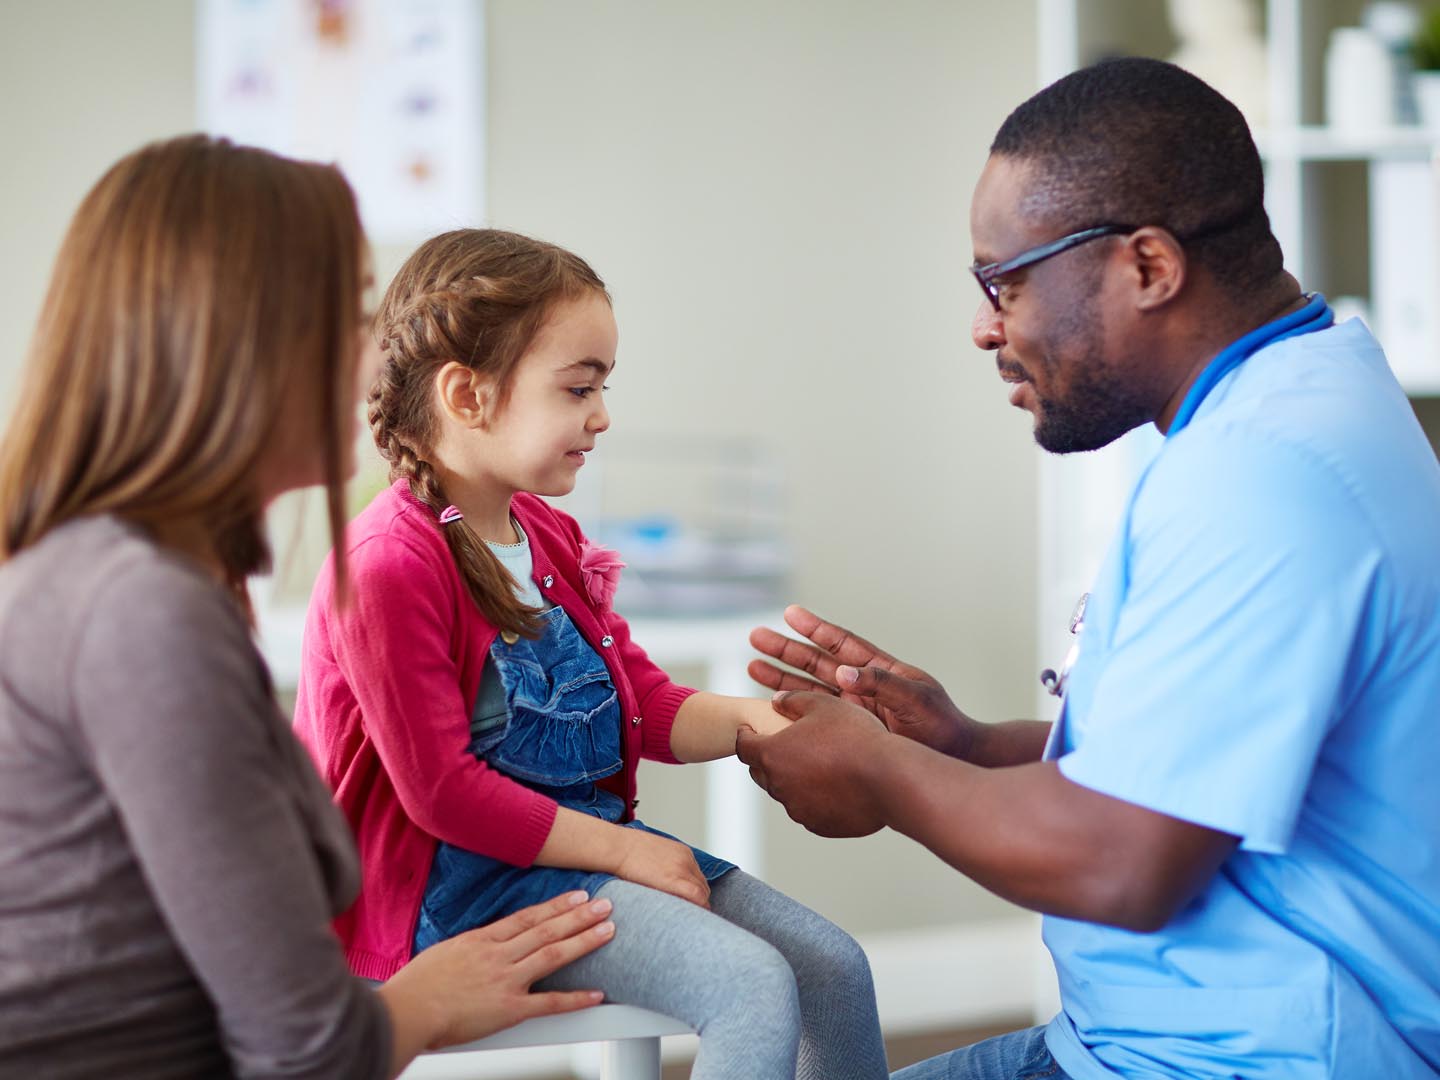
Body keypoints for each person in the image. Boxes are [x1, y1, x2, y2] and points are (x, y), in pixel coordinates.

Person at [737, 57, 1440, 1080]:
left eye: (1005, 282)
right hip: (1150, 1041)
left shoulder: (1262, 476)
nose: (986, 326)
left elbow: (1124, 861)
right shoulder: (1297, 398)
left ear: (1148, 267)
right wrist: (967, 747)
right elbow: (1197, 770)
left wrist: (881, 772)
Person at [0, 135, 620, 1080]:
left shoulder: (121, 581)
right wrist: (421, 1001)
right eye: (354, 315)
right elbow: (308, 1049)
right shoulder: (141, 615)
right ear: (232, 340)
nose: (378, 353)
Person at [292, 227, 888, 1080]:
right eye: (579, 389)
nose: (601, 417)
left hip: (574, 851)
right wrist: (627, 850)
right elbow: (442, 793)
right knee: (751, 984)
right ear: (469, 395)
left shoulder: (545, 534)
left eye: (603, 387)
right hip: (455, 891)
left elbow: (639, 703)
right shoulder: (387, 564)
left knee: (832, 968)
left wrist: (782, 723)